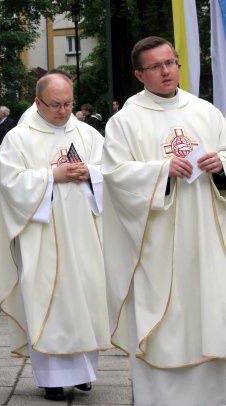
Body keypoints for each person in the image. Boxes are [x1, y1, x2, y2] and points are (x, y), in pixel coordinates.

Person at [103, 36, 226, 406]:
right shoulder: (125, 121)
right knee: (165, 322)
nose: (167, 71)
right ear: (139, 74)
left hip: (206, 236)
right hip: (156, 244)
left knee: (210, 309)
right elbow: (115, 175)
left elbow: (224, 149)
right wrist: (161, 171)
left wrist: (221, 164)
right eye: (155, 66)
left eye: (171, 62)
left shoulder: (206, 111)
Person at [0, 71, 109, 401]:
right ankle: (53, 378)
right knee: (48, 298)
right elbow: (10, 183)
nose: (62, 111)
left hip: (85, 233)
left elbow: (110, 171)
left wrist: (92, 174)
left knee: (87, 296)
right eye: (55, 104)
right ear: (37, 102)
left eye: (68, 103)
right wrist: (51, 176)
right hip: (41, 235)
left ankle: (86, 371)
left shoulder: (88, 134)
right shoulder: (19, 138)